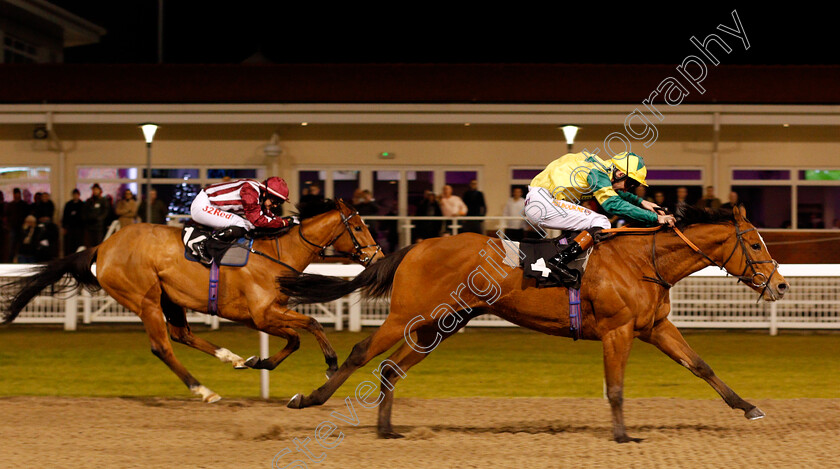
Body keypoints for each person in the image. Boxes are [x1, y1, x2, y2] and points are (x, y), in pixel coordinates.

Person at [526, 151, 674, 283]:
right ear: (620, 174)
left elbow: (616, 193)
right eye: (631, 183)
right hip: (544, 203)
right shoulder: (597, 173)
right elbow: (612, 204)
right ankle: (558, 262)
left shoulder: (599, 168)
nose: (627, 188)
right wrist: (655, 218)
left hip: (542, 200)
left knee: (590, 223)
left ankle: (562, 259)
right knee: (601, 221)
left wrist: (642, 202)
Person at [189, 176, 298, 263]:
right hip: (203, 205)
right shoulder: (250, 190)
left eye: (279, 203)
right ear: (265, 193)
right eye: (275, 201)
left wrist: (288, 221)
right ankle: (203, 244)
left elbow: (269, 216)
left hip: (210, 205)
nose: (275, 205)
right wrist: (284, 222)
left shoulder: (259, 195)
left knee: (246, 224)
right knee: (243, 224)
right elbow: (258, 220)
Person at [62, 188, 86, 255]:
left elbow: (84, 216)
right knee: (69, 244)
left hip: (79, 227)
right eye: (74, 195)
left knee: (78, 243)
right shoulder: (68, 204)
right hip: (70, 227)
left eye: (76, 195)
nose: (75, 196)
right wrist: (64, 227)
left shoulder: (82, 204)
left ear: (79, 195)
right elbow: (65, 216)